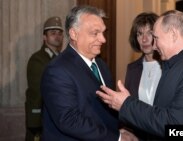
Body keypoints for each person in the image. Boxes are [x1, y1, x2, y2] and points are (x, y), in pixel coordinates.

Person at [97, 10, 183, 139]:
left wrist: (126, 104)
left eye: (156, 38)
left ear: (173, 34)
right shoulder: (177, 64)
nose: (153, 46)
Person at [40, 5, 137, 141]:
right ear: (74, 34)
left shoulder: (101, 65)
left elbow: (104, 111)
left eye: (103, 32)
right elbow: (70, 120)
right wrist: (117, 138)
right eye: (95, 33)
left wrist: (120, 128)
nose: (103, 39)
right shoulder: (57, 70)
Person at [25, 16, 64, 141]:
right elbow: (36, 93)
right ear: (44, 37)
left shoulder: (62, 58)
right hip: (44, 120)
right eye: (53, 33)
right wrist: (35, 123)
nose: (57, 36)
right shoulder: (37, 59)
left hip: (59, 118)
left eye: (59, 33)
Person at [124, 12, 162, 140]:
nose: (144, 39)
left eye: (149, 33)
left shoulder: (170, 68)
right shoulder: (132, 69)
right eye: (140, 34)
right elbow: (128, 109)